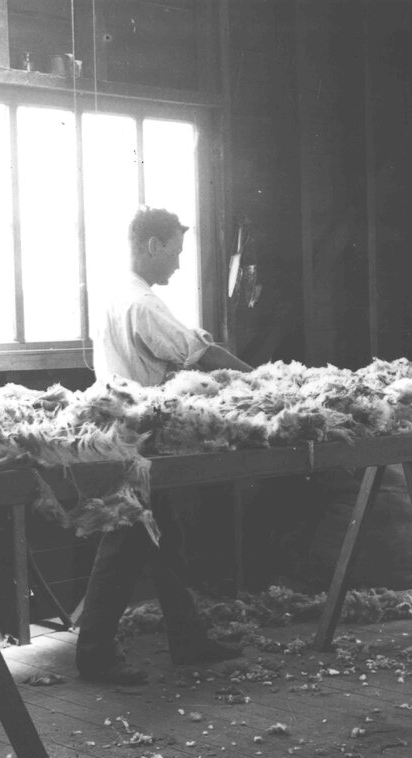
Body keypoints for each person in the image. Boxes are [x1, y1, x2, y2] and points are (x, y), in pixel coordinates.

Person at [77, 206, 253, 685]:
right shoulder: (144, 304)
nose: (178, 263)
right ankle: (93, 654)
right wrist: (261, 382)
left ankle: (188, 639)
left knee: (165, 540)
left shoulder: (117, 295)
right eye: (175, 252)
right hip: (143, 433)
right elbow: (200, 354)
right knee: (127, 539)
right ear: (153, 246)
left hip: (122, 427)